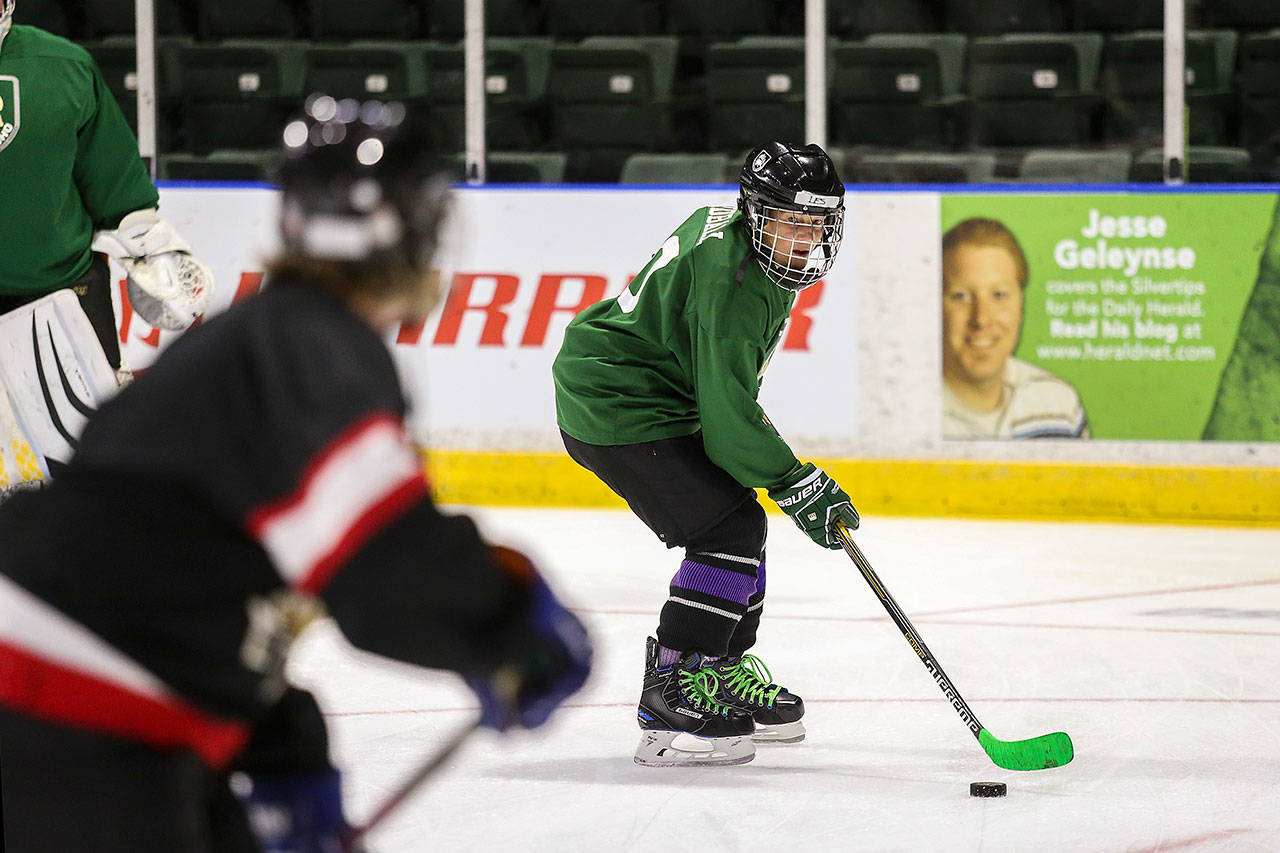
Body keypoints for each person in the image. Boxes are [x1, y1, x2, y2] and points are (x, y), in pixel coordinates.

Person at [0, 95, 592, 852]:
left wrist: (282, 747)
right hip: (68, 710)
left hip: (72, 696)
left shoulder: (253, 341)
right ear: (423, 230)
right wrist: (507, 622)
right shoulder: (318, 348)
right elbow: (384, 570)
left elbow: (181, 569)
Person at [553, 141, 859, 767]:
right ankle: (674, 687)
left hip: (649, 395)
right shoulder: (737, 281)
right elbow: (727, 419)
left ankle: (717, 671)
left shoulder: (740, 243)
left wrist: (781, 479)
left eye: (816, 224)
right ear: (755, 212)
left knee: (738, 521)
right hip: (617, 404)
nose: (803, 240)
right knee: (730, 527)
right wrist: (795, 481)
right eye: (788, 223)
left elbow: (722, 397)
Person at [0, 0, 213, 496]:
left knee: (93, 469)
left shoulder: (62, 66)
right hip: (52, 294)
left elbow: (114, 184)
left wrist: (155, 246)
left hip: (55, 298)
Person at [941, 217, 1089, 439]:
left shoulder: (1059, 405)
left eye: (999, 295)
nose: (981, 318)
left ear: (1020, 307)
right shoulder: (904, 410)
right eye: (960, 296)